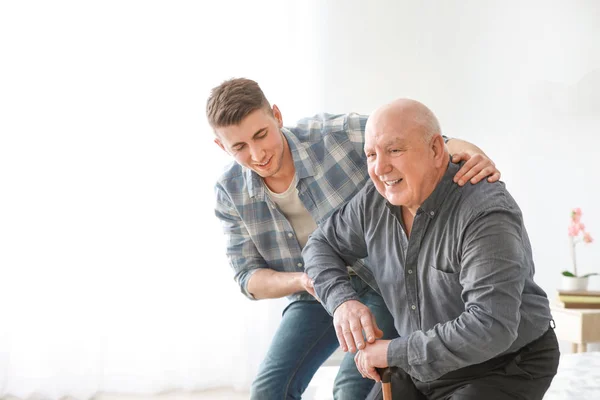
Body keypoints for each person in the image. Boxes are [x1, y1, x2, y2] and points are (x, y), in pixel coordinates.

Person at [207, 78, 502, 400]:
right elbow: (248, 278)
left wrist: (477, 158)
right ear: (221, 147)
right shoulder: (229, 192)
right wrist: (306, 280)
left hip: (383, 283)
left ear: (276, 116)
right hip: (314, 291)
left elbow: (434, 144)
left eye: (261, 135)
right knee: (267, 390)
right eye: (239, 147)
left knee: (351, 388)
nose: (257, 153)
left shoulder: (335, 135)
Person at [302, 98, 560, 400]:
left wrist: (394, 352)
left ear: (436, 150)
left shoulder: (486, 212)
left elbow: (491, 326)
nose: (380, 167)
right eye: (371, 154)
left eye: (394, 150)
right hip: (425, 365)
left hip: (505, 364)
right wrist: (342, 301)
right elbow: (320, 244)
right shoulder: (374, 201)